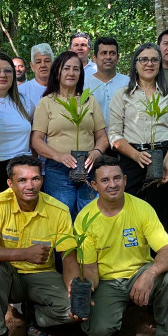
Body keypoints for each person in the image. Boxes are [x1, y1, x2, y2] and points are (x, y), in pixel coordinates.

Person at [69, 156, 168, 336]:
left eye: (116, 178)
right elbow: (91, 269)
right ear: (94, 185)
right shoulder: (85, 218)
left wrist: (150, 274)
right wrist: (86, 292)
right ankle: (117, 312)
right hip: (108, 281)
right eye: (104, 180)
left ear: (124, 180)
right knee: (100, 331)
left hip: (140, 273)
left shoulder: (142, 209)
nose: (112, 184)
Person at [0, 155, 77, 336]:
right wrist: (23, 254)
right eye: (22, 180)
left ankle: (33, 314)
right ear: (10, 183)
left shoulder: (59, 210)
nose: (30, 186)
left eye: (35, 179)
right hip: (8, 276)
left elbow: (69, 258)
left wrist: (74, 291)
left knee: (73, 311)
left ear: (42, 180)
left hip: (41, 276)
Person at [108, 43, 168, 251]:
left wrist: (167, 162)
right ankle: (130, 259)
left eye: (154, 59)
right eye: (143, 59)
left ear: (160, 65)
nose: (149, 64)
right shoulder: (122, 95)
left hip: (163, 156)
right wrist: (135, 155)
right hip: (131, 157)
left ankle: (163, 262)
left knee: (163, 213)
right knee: (129, 210)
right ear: (135, 65)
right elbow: (114, 134)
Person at [31, 51, 108, 218]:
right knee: (62, 217)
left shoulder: (89, 100)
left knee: (91, 217)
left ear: (81, 74)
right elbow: (36, 140)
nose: (71, 73)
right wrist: (58, 156)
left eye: (76, 69)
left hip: (88, 168)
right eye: (66, 68)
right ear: (57, 72)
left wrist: (96, 152)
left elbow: (102, 136)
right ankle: (65, 246)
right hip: (59, 171)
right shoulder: (47, 102)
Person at [0, 52, 34, 197]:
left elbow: (36, 136)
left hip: (23, 171)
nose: (2, 74)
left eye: (8, 70)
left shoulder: (24, 101)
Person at [86, 36, 129, 123]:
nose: (108, 57)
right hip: (92, 135)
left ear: (117, 57)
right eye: (103, 53)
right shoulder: (84, 83)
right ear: (94, 58)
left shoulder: (128, 82)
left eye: (112, 53)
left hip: (123, 135)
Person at [19, 43, 53, 113]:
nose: (43, 65)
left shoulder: (62, 88)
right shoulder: (21, 91)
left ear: (53, 64)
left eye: (47, 61)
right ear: (32, 66)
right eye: (38, 62)